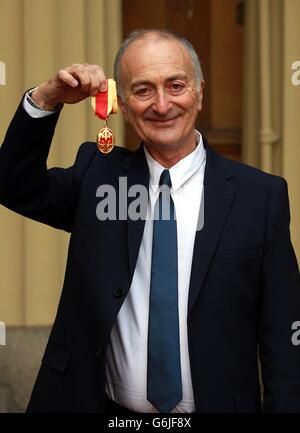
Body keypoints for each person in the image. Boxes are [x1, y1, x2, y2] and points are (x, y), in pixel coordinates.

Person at [0, 29, 300, 414]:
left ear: (200, 92)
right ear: (122, 106)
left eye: (176, 85)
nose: (162, 104)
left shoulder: (260, 197)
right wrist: (46, 99)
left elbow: (283, 337)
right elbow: (13, 185)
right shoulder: (98, 177)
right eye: (143, 90)